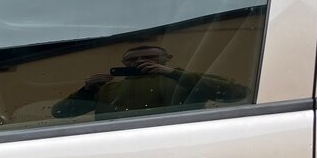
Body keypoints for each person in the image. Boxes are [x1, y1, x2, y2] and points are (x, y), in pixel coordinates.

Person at [52, 45, 247, 118]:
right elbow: (60, 113)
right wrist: (86, 90)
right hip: (115, 152)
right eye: (132, 60)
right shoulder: (108, 89)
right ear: (123, 64)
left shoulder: (185, 80)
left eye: (148, 57)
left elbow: (236, 94)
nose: (139, 62)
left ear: (167, 59)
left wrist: (173, 74)